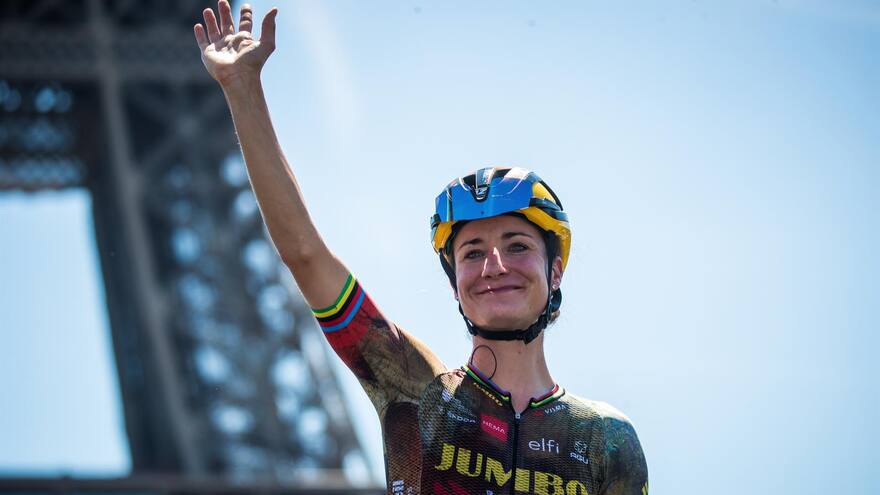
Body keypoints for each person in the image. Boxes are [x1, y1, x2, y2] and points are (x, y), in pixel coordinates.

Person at [194, 2, 649, 494]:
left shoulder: (606, 441)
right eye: (472, 252)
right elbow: (305, 254)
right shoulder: (415, 387)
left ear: (555, 271)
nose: (494, 265)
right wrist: (242, 89)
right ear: (456, 283)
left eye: (516, 245)